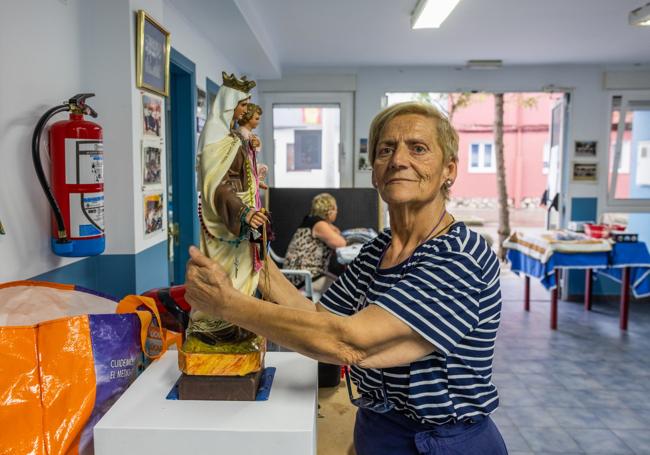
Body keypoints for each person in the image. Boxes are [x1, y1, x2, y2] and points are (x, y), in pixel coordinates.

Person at [185, 101, 507, 454]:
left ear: (449, 169)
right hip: (377, 427)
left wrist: (227, 305)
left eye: (418, 148)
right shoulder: (377, 249)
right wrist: (251, 260)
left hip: (443, 440)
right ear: (375, 172)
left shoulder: (459, 255)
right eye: (386, 149)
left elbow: (350, 343)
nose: (399, 159)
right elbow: (321, 319)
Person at [189, 72, 268, 347]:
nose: (245, 110)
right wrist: (243, 212)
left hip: (239, 213)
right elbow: (217, 187)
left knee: (244, 275)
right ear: (229, 103)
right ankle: (215, 329)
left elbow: (238, 171)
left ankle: (236, 324)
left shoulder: (231, 134)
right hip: (226, 217)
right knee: (226, 276)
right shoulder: (215, 134)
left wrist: (255, 181)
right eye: (243, 104)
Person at [283, 192, 346, 294]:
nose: (336, 213)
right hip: (303, 276)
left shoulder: (311, 221)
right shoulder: (319, 224)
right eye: (335, 209)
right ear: (329, 211)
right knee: (343, 290)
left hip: (299, 273)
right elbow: (341, 243)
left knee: (342, 283)